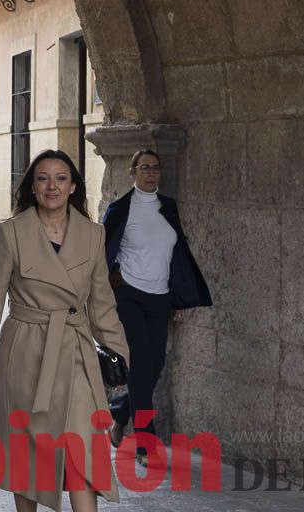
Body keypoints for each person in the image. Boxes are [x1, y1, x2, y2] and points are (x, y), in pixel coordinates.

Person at [0, 150, 129, 512]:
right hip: (25, 354)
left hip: (74, 352)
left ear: (73, 186)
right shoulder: (10, 233)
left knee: (82, 448)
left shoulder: (93, 235)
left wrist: (120, 356)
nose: (52, 186)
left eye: (61, 178)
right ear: (32, 186)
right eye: (43, 178)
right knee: (28, 452)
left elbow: (102, 304)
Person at [102, 149, 211, 462]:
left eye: (156, 168)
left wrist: (178, 295)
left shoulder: (169, 208)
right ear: (133, 172)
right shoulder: (120, 209)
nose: (151, 173)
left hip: (160, 297)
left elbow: (177, 255)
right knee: (139, 368)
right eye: (145, 168)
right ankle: (145, 444)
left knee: (156, 366)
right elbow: (102, 251)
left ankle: (120, 412)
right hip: (129, 296)